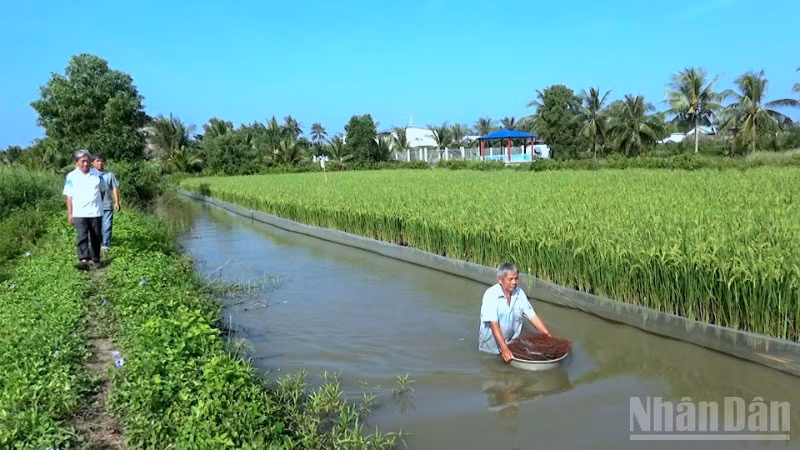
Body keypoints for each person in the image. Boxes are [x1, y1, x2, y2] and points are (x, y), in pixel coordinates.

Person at [478, 262, 552, 362]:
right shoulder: (491, 295)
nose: (514, 282)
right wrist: (504, 349)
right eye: (510, 279)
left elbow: (532, 316)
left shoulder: (519, 294)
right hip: (491, 346)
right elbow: (493, 325)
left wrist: (547, 335)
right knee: (492, 366)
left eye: (516, 278)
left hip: (510, 342)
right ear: (500, 280)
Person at [63, 149, 107, 269]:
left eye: (87, 161)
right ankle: (84, 260)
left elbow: (103, 190)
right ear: (76, 162)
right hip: (79, 212)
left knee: (96, 236)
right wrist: (70, 214)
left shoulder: (97, 175)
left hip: (95, 211)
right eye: (83, 161)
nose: (86, 164)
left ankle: (96, 259)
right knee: (82, 236)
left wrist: (98, 203)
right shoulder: (71, 176)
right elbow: (69, 196)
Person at [90, 153, 120, 250]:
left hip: (107, 204)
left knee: (107, 226)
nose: (100, 163)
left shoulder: (109, 174)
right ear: (92, 163)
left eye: (102, 161)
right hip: (93, 205)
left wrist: (117, 202)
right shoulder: (89, 173)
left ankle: (105, 246)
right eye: (97, 161)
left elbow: (114, 188)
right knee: (95, 226)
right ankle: (95, 243)